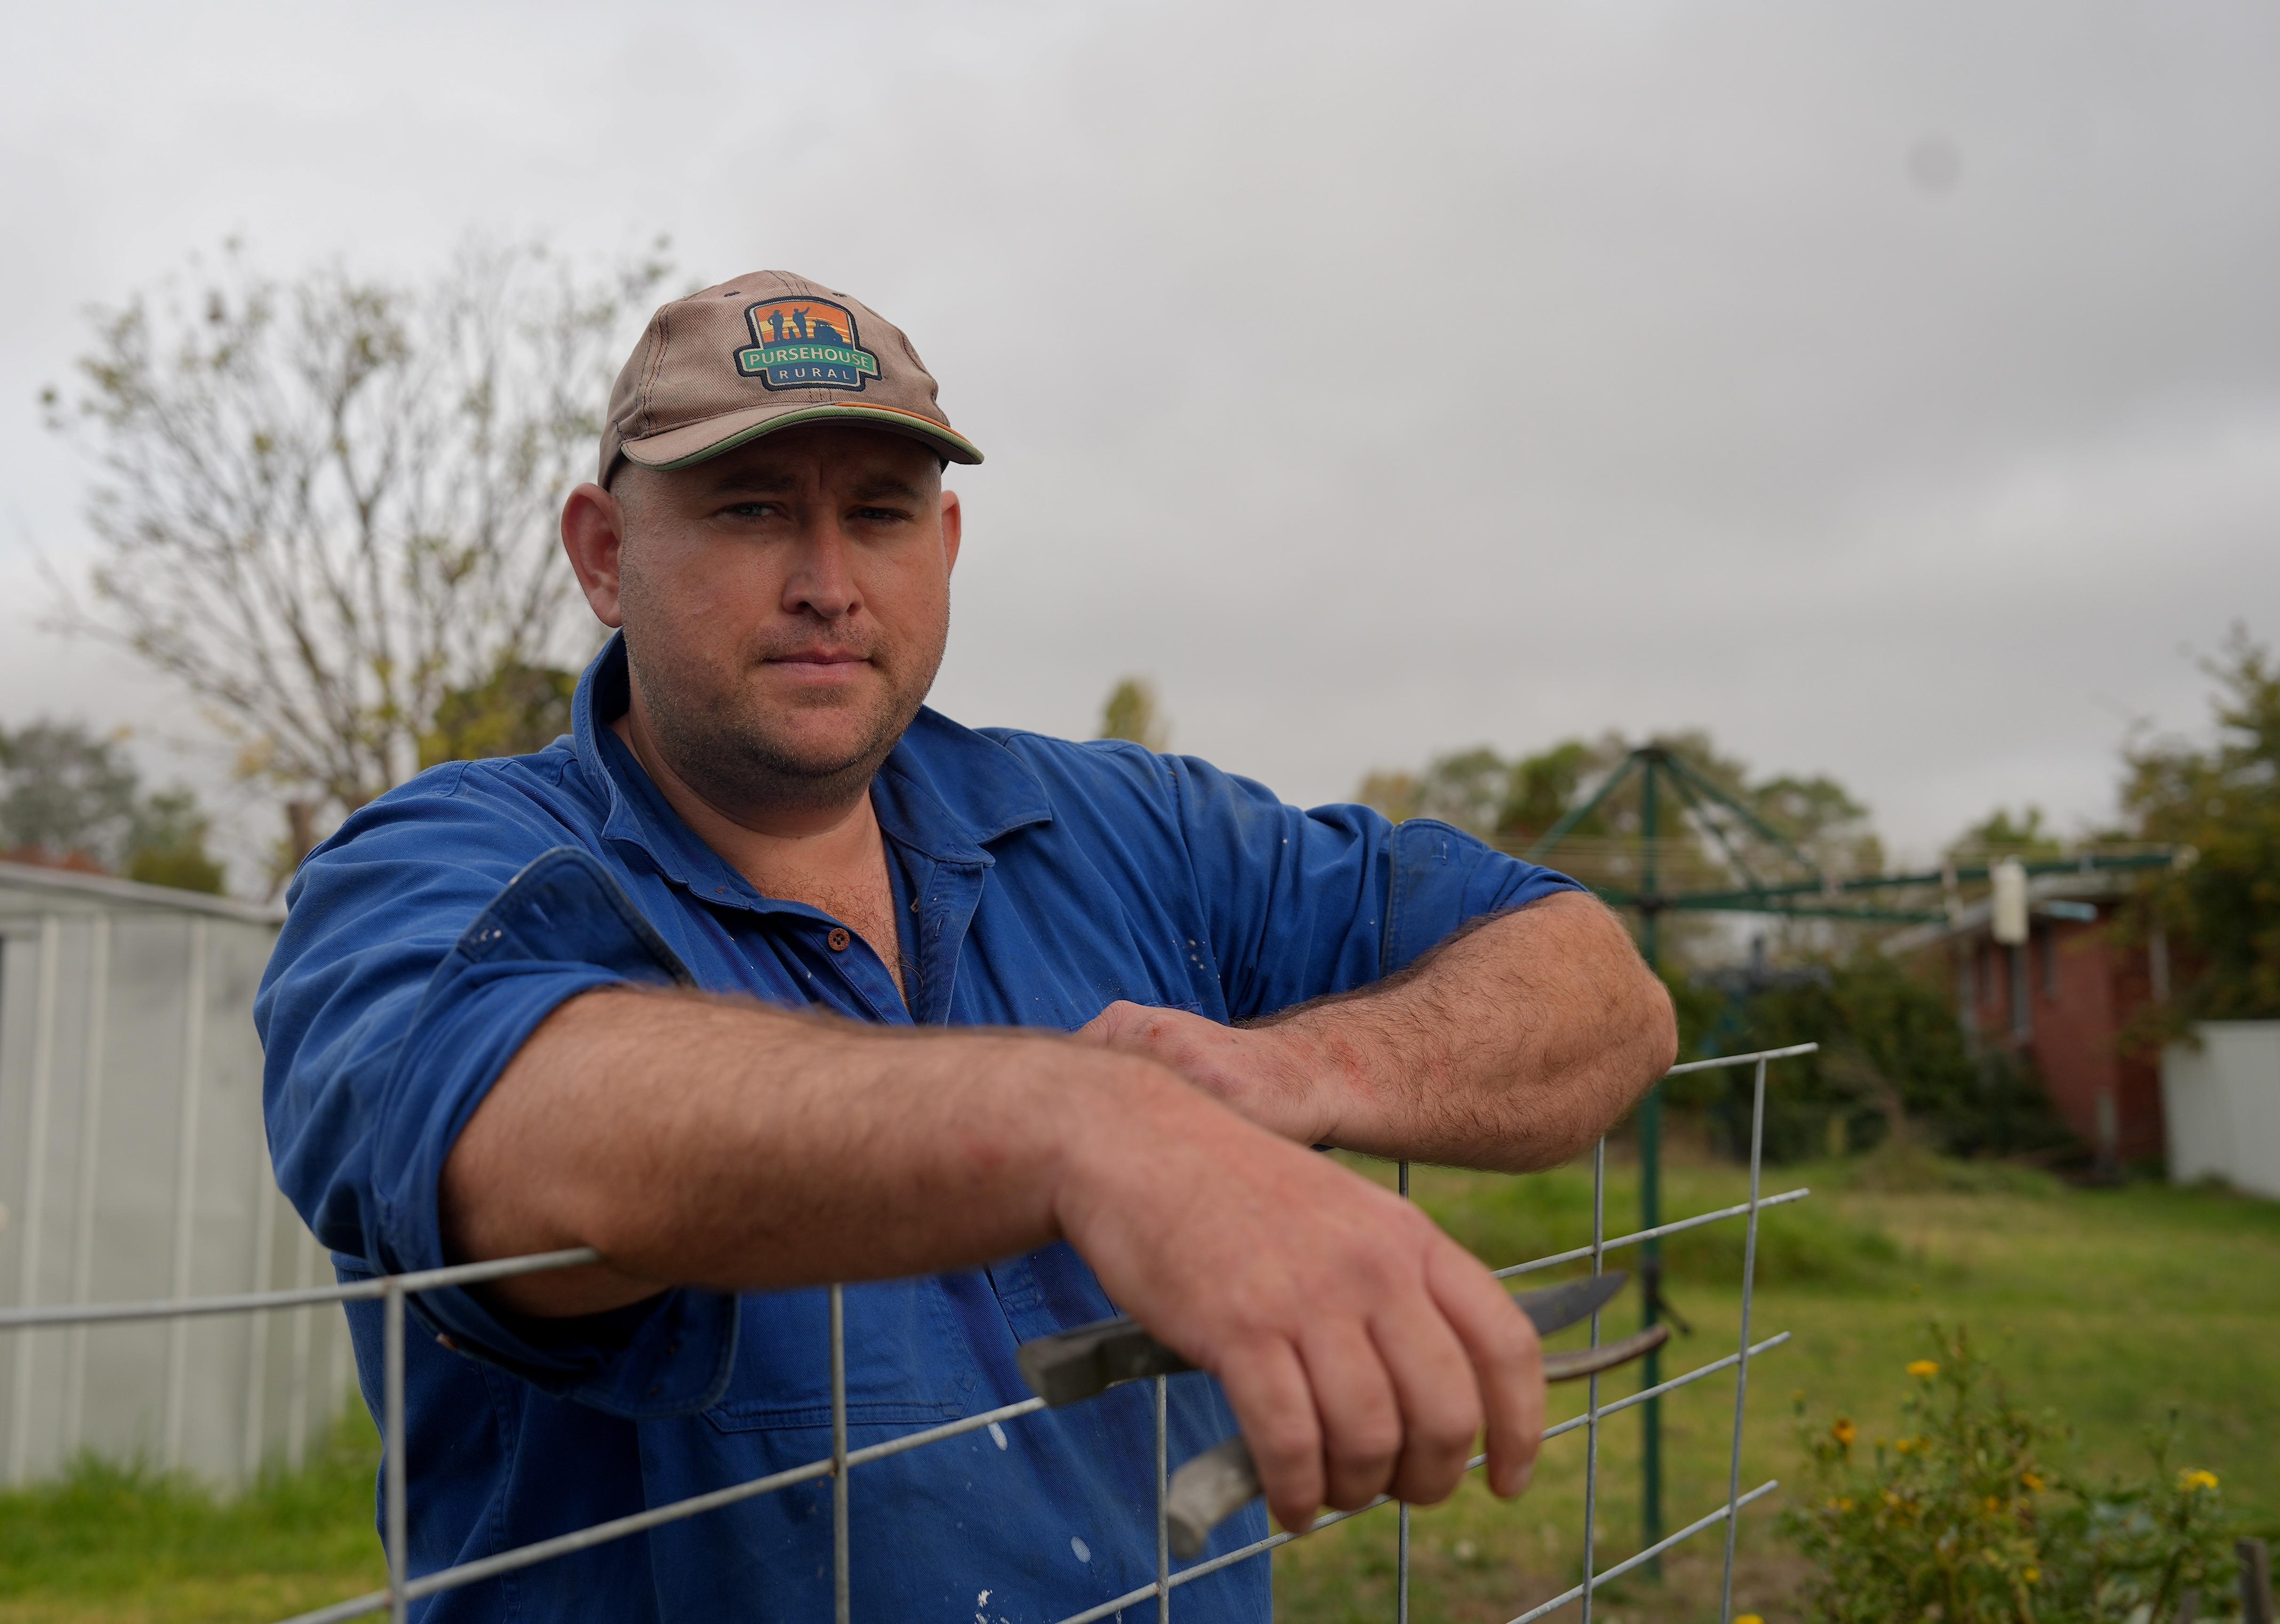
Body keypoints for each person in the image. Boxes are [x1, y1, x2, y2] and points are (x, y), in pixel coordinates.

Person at [257, 269, 1677, 1624]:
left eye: (879, 515)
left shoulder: (1132, 834)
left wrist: (1303, 1073)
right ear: (607, 555)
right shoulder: (427, 868)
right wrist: (1094, 1128)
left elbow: (1597, 984)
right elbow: (516, 1136)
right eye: (751, 510)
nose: (827, 580)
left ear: (941, 551)